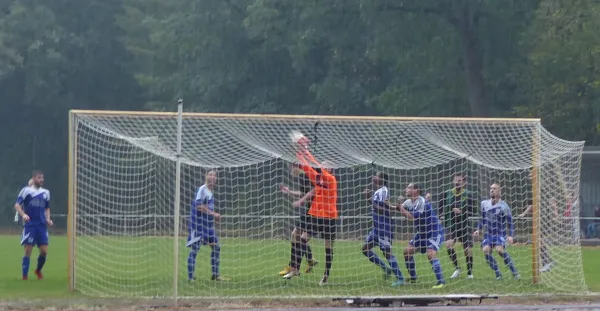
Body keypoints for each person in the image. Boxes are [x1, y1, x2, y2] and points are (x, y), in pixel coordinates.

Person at [284, 151, 338, 286]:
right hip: (315, 216)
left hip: (329, 218)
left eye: (324, 166)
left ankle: (326, 275)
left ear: (329, 169)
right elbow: (308, 168)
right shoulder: (318, 179)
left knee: (328, 248)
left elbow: (314, 167)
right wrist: (300, 152)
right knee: (301, 240)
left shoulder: (331, 180)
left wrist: (306, 153)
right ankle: (295, 268)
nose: (321, 166)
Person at [397, 183, 446, 289]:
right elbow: (398, 208)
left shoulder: (421, 202)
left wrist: (400, 207)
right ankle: (414, 278)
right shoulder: (408, 202)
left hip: (433, 232)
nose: (406, 189)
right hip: (422, 233)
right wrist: (389, 205)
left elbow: (411, 217)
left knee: (431, 254)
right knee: (407, 252)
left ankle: (441, 282)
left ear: (416, 190)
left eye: (409, 188)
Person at [362, 172, 404, 287]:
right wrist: (397, 207)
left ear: (382, 179)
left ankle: (400, 278)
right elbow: (387, 206)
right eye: (374, 175)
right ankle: (386, 269)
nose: (374, 177)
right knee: (365, 249)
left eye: (376, 176)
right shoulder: (379, 191)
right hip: (377, 227)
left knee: (387, 253)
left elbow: (382, 210)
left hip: (384, 227)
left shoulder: (383, 191)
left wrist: (369, 198)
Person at [186, 170, 228, 281]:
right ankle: (190, 278)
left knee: (216, 247)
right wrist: (214, 214)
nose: (213, 177)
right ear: (206, 177)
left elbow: (207, 208)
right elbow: (199, 206)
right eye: (210, 174)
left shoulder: (210, 192)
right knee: (195, 250)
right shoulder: (202, 189)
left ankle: (215, 275)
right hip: (198, 226)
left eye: (215, 175)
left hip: (208, 227)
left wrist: (213, 218)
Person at [278, 164, 318, 276]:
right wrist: (289, 191)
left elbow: (312, 193)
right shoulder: (302, 178)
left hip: (316, 212)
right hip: (308, 211)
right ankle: (303, 262)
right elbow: (303, 193)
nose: (291, 170)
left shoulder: (308, 176)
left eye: (291, 167)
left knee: (301, 239)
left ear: (297, 167)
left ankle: (295, 267)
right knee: (295, 235)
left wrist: (301, 201)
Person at [474, 183, 520, 280]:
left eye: (494, 188)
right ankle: (498, 274)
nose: (492, 190)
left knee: (499, 250)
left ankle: (515, 272)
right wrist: (478, 229)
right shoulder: (484, 203)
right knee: (486, 251)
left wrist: (510, 235)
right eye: (491, 188)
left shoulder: (504, 206)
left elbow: (510, 221)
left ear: (499, 191)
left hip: (500, 234)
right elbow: (482, 219)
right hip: (489, 234)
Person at [15, 170, 52, 280]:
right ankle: (25, 276)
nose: (41, 180)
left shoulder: (46, 192)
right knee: (27, 250)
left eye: (42, 178)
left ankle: (38, 270)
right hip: (30, 225)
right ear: (34, 178)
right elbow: (17, 205)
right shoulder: (26, 191)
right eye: (39, 178)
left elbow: (47, 208)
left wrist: (48, 219)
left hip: (41, 225)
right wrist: (23, 214)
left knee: (44, 252)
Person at [442, 174, 476, 279]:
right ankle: (457, 268)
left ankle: (470, 273)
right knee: (448, 245)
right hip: (451, 224)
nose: (457, 182)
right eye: (456, 180)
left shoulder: (468, 194)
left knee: (467, 250)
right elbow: (441, 207)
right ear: (453, 181)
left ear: (464, 183)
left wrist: (462, 212)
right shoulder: (447, 193)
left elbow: (473, 211)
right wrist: (443, 214)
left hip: (464, 225)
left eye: (460, 180)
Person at [519, 198, 556, 272]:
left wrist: (523, 214)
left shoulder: (536, 206)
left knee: (539, 243)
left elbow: (530, 206)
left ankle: (547, 263)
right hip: (543, 224)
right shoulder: (541, 207)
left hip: (541, 224)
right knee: (539, 243)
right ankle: (548, 262)